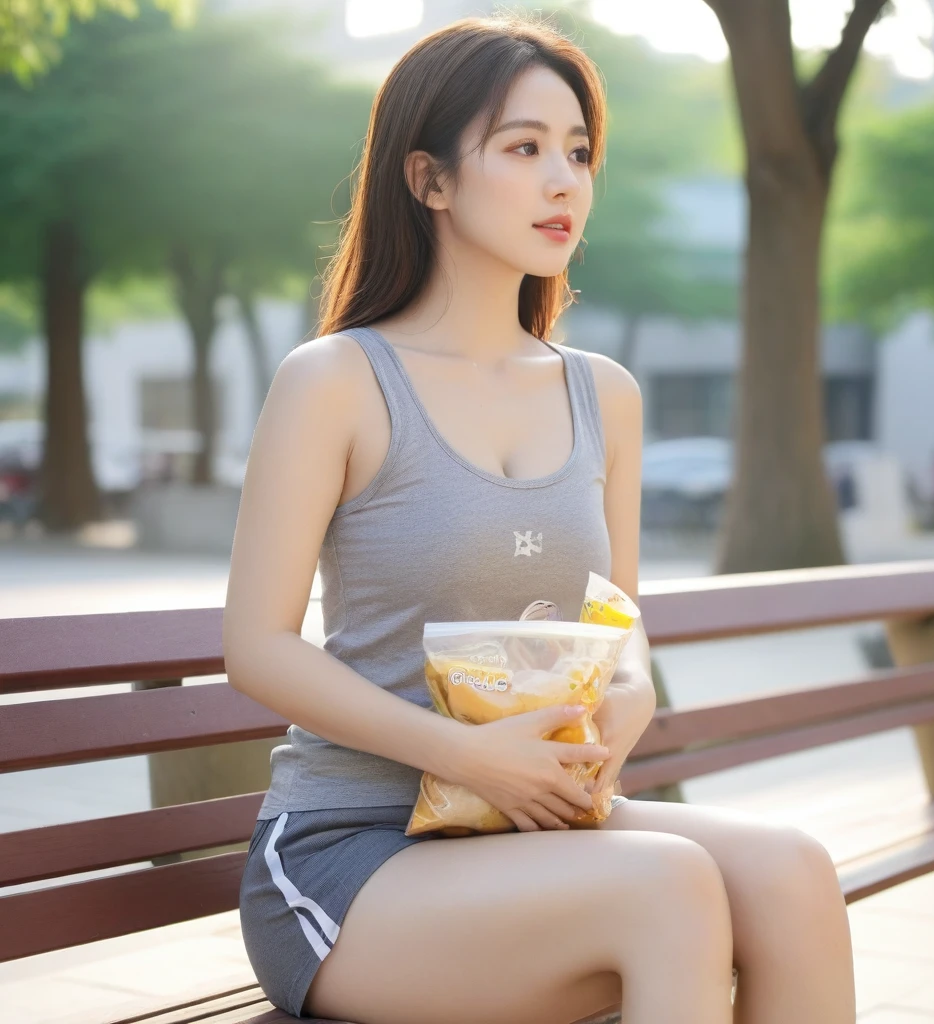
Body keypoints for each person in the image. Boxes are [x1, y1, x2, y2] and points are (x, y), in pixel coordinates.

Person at [224, 14, 855, 1024]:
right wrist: (465, 754)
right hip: (350, 855)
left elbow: (620, 621)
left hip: (520, 825)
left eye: (577, 152)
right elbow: (254, 647)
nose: (564, 180)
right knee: (668, 885)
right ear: (427, 179)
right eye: (523, 149)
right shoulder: (336, 381)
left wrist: (630, 699)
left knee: (791, 872)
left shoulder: (603, 395)